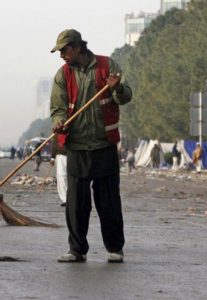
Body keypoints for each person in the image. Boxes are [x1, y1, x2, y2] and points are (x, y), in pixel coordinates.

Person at [50, 29, 132, 263]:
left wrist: (116, 87)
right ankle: (76, 250)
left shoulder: (107, 66)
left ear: (77, 47)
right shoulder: (63, 75)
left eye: (64, 50)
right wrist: (58, 123)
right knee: (76, 204)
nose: (62, 55)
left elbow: (125, 97)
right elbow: (57, 108)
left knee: (109, 202)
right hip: (76, 147)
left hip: (104, 146)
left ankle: (115, 248)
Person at [50, 135, 67, 207]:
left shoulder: (58, 130)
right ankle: (67, 199)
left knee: (63, 177)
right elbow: (54, 145)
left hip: (69, 155)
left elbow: (54, 145)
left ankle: (68, 199)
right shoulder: (58, 131)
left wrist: (52, 157)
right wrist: (53, 157)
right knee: (63, 177)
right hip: (64, 156)